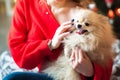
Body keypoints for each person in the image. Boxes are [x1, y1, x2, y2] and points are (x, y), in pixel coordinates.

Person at [3, 0, 113, 80]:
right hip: (49, 75)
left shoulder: (82, 14)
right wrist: (50, 45)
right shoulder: (25, 4)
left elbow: (105, 60)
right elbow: (19, 54)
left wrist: (90, 70)